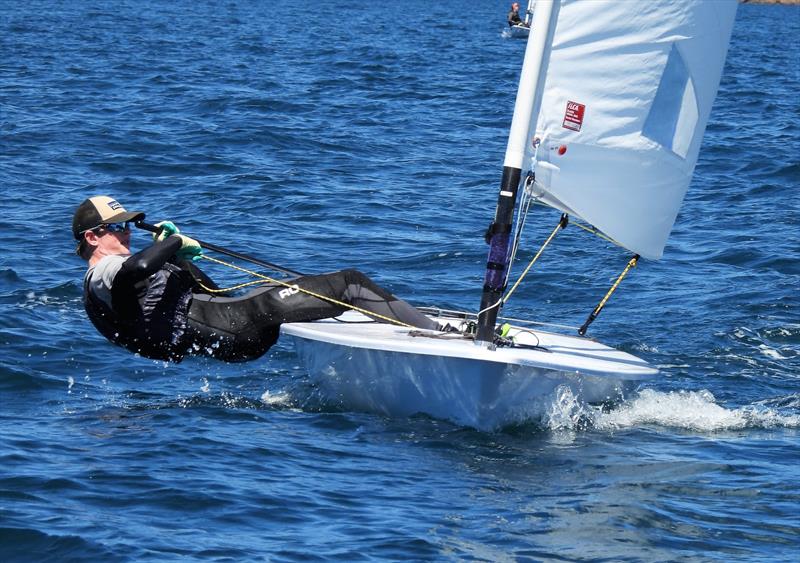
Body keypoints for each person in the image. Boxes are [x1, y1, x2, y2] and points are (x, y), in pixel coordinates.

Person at [73, 196, 441, 363]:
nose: (126, 234)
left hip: (231, 337)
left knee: (304, 289)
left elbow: (203, 297)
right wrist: (172, 242)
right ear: (92, 237)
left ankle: (391, 327)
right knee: (349, 283)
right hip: (235, 328)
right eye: (116, 228)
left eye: (126, 226)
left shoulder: (109, 288)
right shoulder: (104, 272)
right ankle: (439, 336)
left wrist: (180, 259)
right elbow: (136, 270)